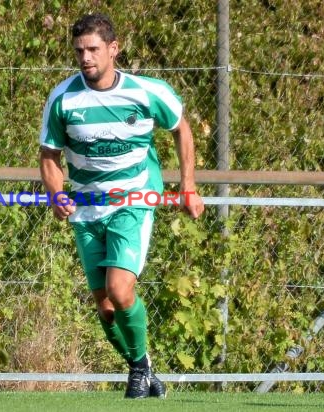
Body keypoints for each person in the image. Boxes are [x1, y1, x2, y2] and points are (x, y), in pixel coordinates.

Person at [38, 13, 205, 399]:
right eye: (79, 50)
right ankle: (141, 366)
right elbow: (49, 155)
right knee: (105, 307)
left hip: (134, 199)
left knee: (120, 287)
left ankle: (138, 374)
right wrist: (56, 193)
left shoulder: (148, 92)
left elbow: (181, 129)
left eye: (93, 49)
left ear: (114, 49)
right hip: (87, 210)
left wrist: (188, 186)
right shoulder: (63, 98)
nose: (85, 57)